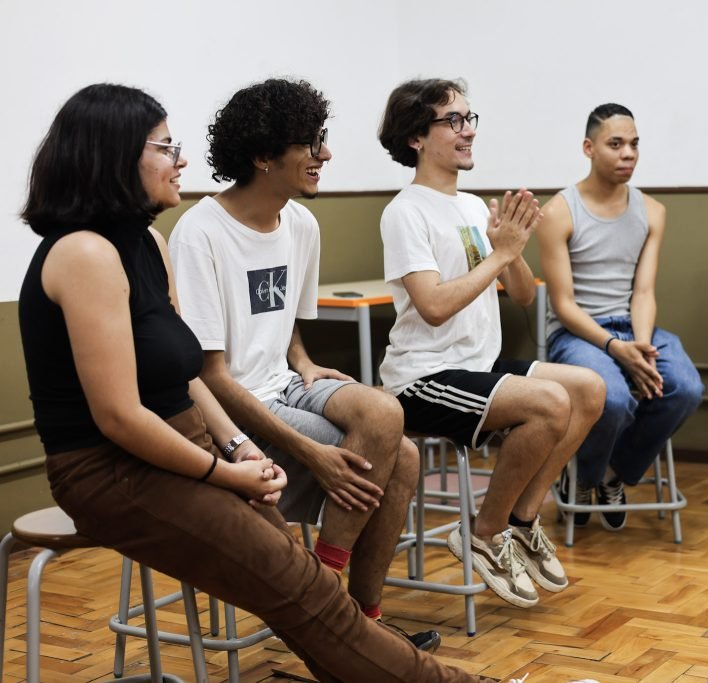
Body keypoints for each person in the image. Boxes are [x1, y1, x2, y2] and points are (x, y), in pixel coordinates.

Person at [18, 83, 488, 682]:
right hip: (113, 472)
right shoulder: (83, 254)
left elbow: (185, 376)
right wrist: (226, 471)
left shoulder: (147, 243)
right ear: (112, 155)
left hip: (188, 446)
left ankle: (364, 645)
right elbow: (120, 418)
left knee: (309, 588)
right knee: (306, 590)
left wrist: (236, 447)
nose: (180, 160)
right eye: (166, 147)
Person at [168, 79, 437, 649]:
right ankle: (333, 614)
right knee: (402, 459)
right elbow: (211, 375)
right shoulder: (199, 232)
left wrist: (303, 359)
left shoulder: (302, 225)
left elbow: (283, 316)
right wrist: (317, 454)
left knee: (385, 417)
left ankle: (354, 616)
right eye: (311, 144)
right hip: (232, 412)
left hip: (287, 384)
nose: (326, 155)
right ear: (263, 157)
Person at [376, 78, 605, 608]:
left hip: (477, 365)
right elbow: (432, 306)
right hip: (422, 378)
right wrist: (498, 256)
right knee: (551, 404)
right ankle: (483, 531)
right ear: (416, 137)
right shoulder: (404, 211)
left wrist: (513, 249)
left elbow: (524, 295)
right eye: (453, 121)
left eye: (470, 118)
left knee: (589, 389)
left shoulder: (475, 207)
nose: (468, 131)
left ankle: (521, 521)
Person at [537, 103, 703, 531]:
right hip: (577, 334)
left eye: (634, 144)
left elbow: (644, 291)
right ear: (589, 148)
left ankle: (613, 474)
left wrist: (641, 348)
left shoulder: (652, 211)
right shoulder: (559, 210)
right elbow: (564, 305)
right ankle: (583, 477)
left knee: (685, 387)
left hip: (633, 327)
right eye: (616, 144)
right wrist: (615, 348)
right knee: (610, 397)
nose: (627, 153)